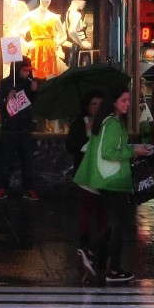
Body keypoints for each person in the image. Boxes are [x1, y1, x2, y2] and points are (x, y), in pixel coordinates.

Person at [73, 85, 154, 284]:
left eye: (128, 100)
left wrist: (132, 149)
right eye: (124, 100)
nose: (127, 104)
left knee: (118, 222)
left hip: (106, 178)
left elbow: (110, 148)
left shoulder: (106, 121)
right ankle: (113, 269)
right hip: (112, 178)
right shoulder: (113, 123)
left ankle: (92, 252)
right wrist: (134, 151)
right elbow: (108, 152)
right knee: (118, 225)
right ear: (114, 102)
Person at [66, 90, 106, 276]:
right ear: (87, 107)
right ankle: (84, 241)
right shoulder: (79, 124)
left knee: (102, 208)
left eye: (100, 104)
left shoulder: (107, 123)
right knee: (86, 206)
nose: (97, 107)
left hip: (102, 171)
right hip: (85, 170)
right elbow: (71, 146)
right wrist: (86, 133)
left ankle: (101, 241)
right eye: (93, 104)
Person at [0, 59, 40, 200]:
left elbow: (35, 103)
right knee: (5, 160)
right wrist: (6, 99)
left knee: (28, 161)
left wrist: (34, 92)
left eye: (28, 71)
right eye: (24, 70)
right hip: (9, 129)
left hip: (25, 128)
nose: (27, 73)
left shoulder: (30, 83)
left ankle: (29, 188)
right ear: (17, 70)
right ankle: (2, 187)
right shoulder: (4, 84)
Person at [12, 0, 67, 79]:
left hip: (49, 50)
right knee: (35, 75)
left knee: (50, 76)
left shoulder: (54, 17)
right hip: (35, 49)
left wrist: (58, 43)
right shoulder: (30, 15)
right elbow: (14, 30)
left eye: (48, 0)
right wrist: (26, 44)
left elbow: (64, 35)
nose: (46, 1)